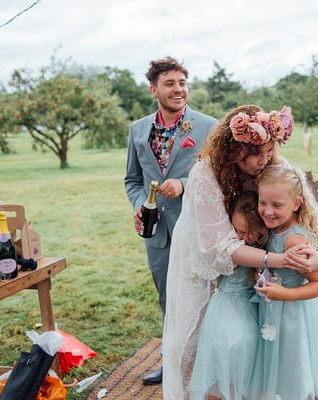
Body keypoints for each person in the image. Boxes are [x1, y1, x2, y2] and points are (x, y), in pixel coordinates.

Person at [162, 104, 318, 399]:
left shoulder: (273, 169)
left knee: (257, 347)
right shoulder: (206, 174)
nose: (263, 160)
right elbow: (222, 247)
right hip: (205, 264)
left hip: (259, 272)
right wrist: (278, 260)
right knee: (209, 346)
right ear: (233, 148)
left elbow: (314, 219)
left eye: (269, 151)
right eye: (257, 152)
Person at [124, 56, 217, 385]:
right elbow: (132, 180)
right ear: (154, 90)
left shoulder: (208, 126)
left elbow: (221, 177)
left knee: (205, 296)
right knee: (169, 298)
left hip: (198, 230)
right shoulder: (137, 131)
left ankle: (208, 366)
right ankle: (174, 364)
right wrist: (139, 205)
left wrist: (185, 185)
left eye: (182, 83)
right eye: (170, 84)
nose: (179, 90)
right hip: (158, 235)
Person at [251, 164, 318, 400]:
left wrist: (284, 294)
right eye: (263, 203)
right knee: (278, 365)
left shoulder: (294, 240)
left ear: (297, 204)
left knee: (293, 367)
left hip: (295, 314)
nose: (268, 211)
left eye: (277, 205)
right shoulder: (273, 229)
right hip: (276, 308)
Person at [189, 192, 268, 400]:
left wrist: (261, 275)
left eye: (245, 231)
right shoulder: (230, 246)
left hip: (252, 306)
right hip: (226, 306)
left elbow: (262, 280)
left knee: (249, 355)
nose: (239, 236)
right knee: (224, 351)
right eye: (235, 229)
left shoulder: (261, 248)